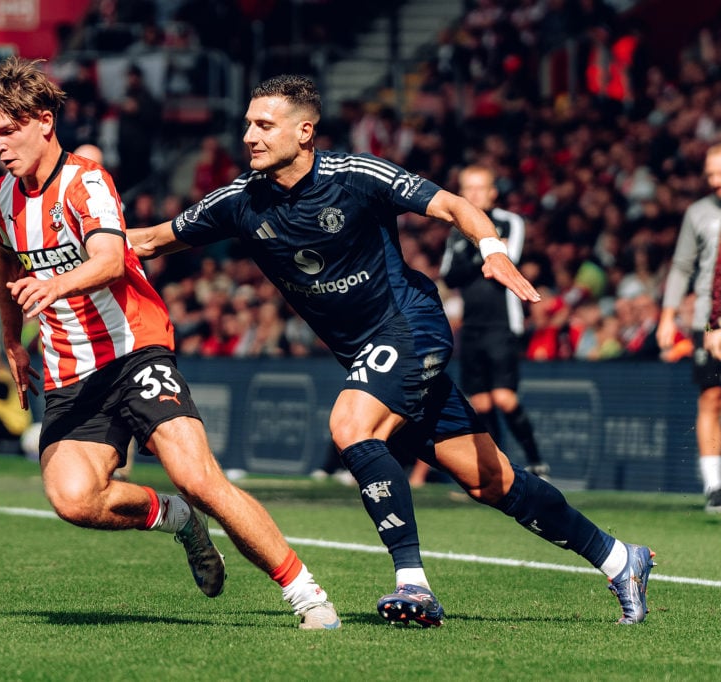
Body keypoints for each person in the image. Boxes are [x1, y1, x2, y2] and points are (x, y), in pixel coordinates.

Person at [130, 74, 655, 627]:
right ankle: (621, 559)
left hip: (409, 326)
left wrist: (491, 248)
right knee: (490, 479)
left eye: (264, 125)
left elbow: (453, 205)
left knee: (351, 426)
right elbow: (149, 240)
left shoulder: (356, 175)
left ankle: (413, 583)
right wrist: (72, 240)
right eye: (247, 125)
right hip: (367, 355)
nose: (250, 136)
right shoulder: (240, 201)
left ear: (304, 130)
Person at [0, 56, 340, 630]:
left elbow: (109, 257)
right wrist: (11, 341)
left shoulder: (85, 179)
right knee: (73, 498)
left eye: (7, 130)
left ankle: (307, 595)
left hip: (134, 346)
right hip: (71, 369)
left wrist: (55, 283)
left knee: (198, 476)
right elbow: (2, 260)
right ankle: (177, 521)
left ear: (43, 121)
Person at [439, 164, 549, 478]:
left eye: (479, 188)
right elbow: (450, 274)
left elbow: (501, 259)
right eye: (467, 188)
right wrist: (479, 255)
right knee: (482, 403)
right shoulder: (455, 230)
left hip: (502, 322)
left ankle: (537, 462)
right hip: (471, 325)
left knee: (504, 397)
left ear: (492, 192)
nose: (473, 194)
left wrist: (476, 257)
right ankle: (500, 472)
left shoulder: (509, 221)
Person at [658, 143, 721, 513]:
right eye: (710, 173)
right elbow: (683, 266)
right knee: (712, 397)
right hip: (708, 323)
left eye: (719, 172)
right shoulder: (699, 213)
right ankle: (715, 484)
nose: (714, 180)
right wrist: (668, 316)